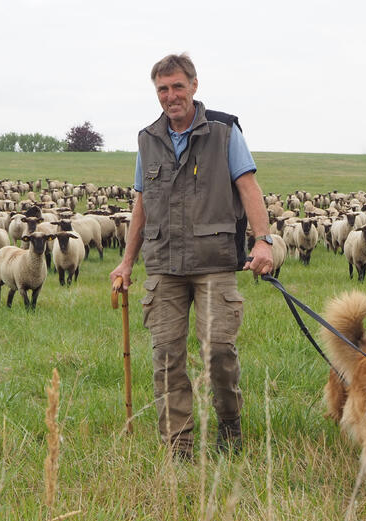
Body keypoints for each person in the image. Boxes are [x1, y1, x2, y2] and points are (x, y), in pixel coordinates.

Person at [109, 53, 275, 460]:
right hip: (164, 264)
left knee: (218, 350)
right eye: (163, 89)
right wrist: (127, 261)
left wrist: (263, 240)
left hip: (214, 260)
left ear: (194, 86)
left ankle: (230, 424)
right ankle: (179, 445)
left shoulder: (223, 130)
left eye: (177, 86)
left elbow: (249, 188)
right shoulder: (147, 139)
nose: (170, 96)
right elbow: (141, 204)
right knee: (166, 357)